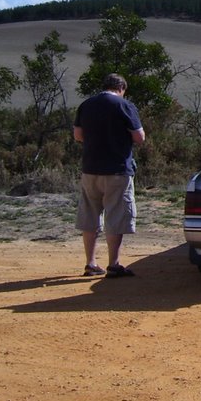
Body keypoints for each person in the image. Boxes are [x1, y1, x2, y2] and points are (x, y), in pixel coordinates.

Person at [73, 73, 146, 278]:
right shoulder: (124, 105)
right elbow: (139, 137)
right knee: (116, 214)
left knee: (90, 215)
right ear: (121, 88)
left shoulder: (86, 105)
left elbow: (78, 135)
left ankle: (91, 263)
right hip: (117, 169)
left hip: (90, 168)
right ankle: (113, 264)